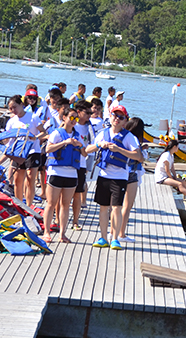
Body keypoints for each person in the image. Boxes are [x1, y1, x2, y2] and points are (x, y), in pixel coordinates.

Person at [85, 104, 143, 251]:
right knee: (103, 208)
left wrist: (119, 149)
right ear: (110, 116)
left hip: (120, 176)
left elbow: (139, 157)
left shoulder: (129, 137)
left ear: (125, 121)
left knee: (116, 208)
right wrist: (99, 145)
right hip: (104, 175)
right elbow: (86, 150)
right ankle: (103, 237)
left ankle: (115, 239)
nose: (117, 119)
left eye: (121, 117)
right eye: (114, 115)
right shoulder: (102, 133)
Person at [42, 106, 85, 244]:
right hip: (56, 171)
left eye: (76, 118)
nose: (74, 120)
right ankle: (46, 232)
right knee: (51, 203)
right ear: (64, 118)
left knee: (65, 204)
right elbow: (48, 149)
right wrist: (64, 142)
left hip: (71, 173)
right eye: (71, 117)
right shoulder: (57, 133)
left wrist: (79, 145)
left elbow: (85, 153)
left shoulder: (78, 135)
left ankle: (62, 234)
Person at [2, 94, 43, 206]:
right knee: (17, 181)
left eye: (14, 107)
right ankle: (19, 205)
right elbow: (7, 137)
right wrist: (2, 143)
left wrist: (36, 137)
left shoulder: (33, 117)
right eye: (10, 108)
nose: (12, 110)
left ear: (21, 105)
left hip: (32, 151)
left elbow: (44, 132)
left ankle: (29, 206)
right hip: (18, 152)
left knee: (30, 179)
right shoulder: (11, 121)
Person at [120, 117, 148, 243]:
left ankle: (113, 232)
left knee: (116, 205)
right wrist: (143, 149)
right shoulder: (135, 139)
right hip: (132, 173)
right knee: (127, 205)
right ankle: (121, 233)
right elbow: (140, 158)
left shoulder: (123, 136)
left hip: (119, 172)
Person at [70, 100, 95, 229]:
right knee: (65, 194)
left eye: (91, 113)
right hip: (68, 162)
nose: (90, 115)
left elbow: (92, 144)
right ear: (78, 112)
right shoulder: (72, 124)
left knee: (78, 193)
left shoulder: (89, 127)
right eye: (87, 113)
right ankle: (58, 219)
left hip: (82, 163)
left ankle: (75, 221)